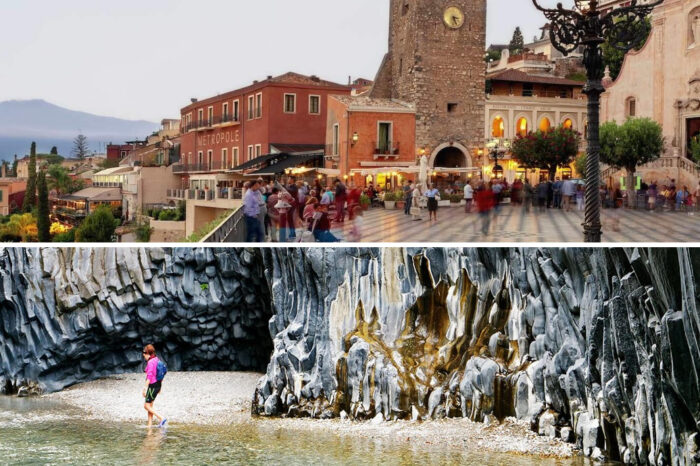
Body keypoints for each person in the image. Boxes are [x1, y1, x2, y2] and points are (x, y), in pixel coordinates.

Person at [142, 345, 166, 429]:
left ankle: (161, 418)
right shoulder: (156, 359)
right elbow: (161, 375)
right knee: (150, 406)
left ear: (147, 353)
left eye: (144, 354)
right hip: (158, 385)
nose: (144, 356)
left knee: (146, 406)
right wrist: (160, 387)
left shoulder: (151, 362)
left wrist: (144, 389)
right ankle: (149, 426)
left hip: (152, 386)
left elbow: (149, 377)